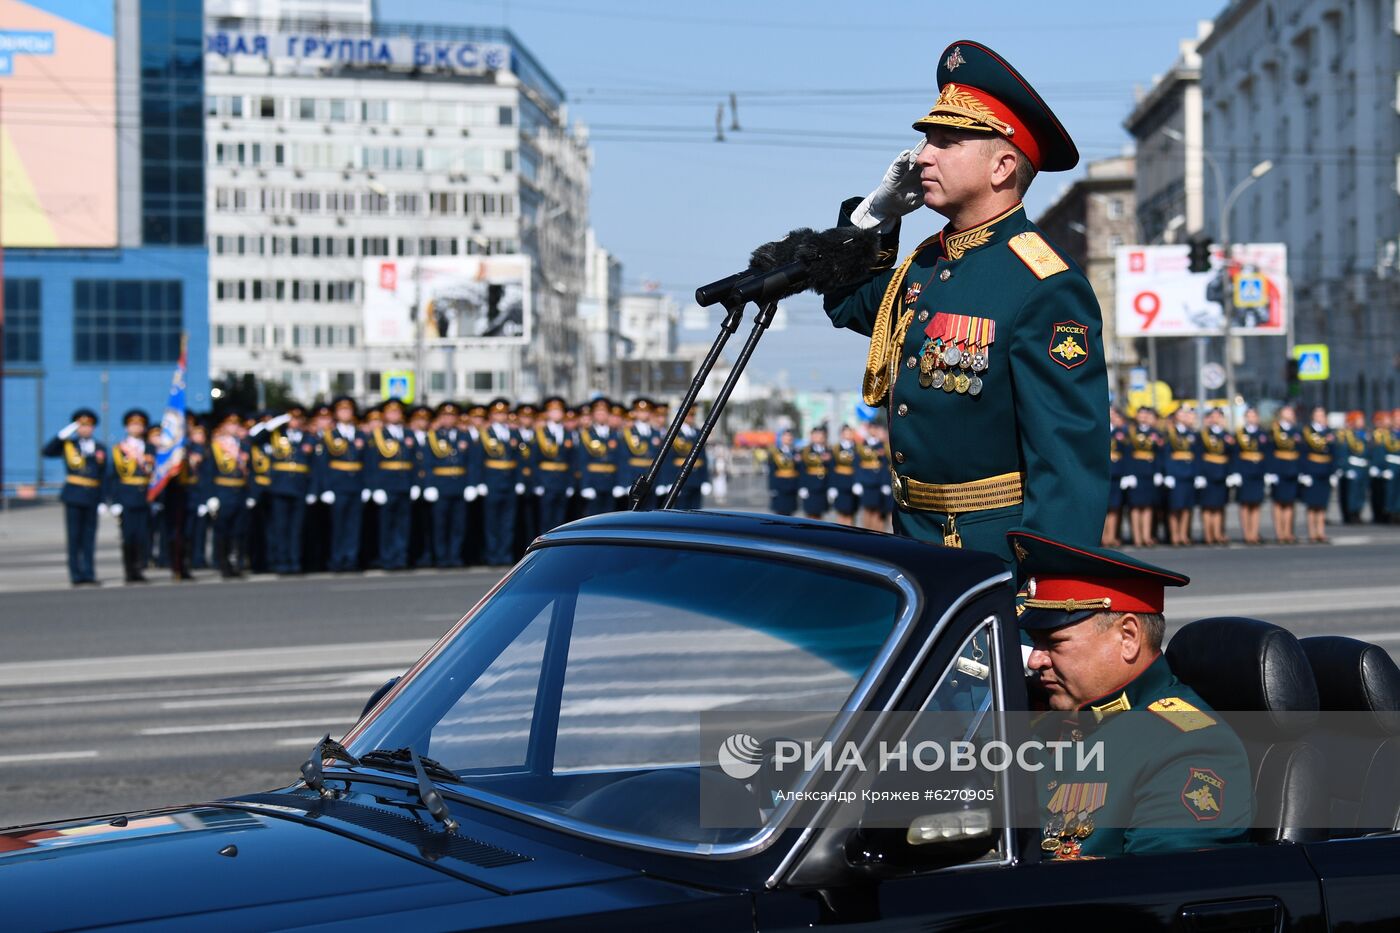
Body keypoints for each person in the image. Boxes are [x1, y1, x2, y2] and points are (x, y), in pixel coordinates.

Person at [821, 41, 1107, 566]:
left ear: (1001, 167)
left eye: (946, 142)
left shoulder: (1042, 283)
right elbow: (848, 302)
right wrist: (871, 218)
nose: (922, 156)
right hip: (915, 543)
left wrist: (1043, 607)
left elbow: (1067, 463)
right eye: (927, 140)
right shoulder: (925, 265)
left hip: (990, 557)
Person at [1011, 527, 1251, 859]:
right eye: (1035, 643)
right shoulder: (1049, 713)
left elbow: (1159, 891)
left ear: (1128, 637)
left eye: (1053, 643)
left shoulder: (1190, 745)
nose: (1036, 659)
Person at [42, 408, 107, 586]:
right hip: (74, 495)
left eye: (88, 426)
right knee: (74, 537)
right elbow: (46, 451)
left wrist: (103, 500)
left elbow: (103, 477)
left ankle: (89, 573)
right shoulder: (68, 444)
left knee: (89, 537)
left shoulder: (99, 447)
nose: (85, 429)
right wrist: (62, 434)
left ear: (93, 428)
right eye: (81, 425)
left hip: (92, 496)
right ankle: (75, 575)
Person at [260, 402, 315, 574]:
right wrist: (278, 421)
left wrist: (313, 490)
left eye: (298, 418)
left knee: (296, 529)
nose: (295, 422)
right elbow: (255, 436)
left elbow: (315, 467)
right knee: (280, 528)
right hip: (280, 488)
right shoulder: (276, 435)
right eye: (292, 418)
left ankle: (294, 561)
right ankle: (281, 562)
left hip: (300, 488)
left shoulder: (308, 437)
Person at [315, 396, 367, 573]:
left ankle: (351, 559)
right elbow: (322, 464)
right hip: (338, 485)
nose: (346, 413)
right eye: (342, 410)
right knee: (338, 526)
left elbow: (368, 462)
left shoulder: (360, 434)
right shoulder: (329, 435)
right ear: (336, 414)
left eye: (349, 410)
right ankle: (337, 559)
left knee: (354, 526)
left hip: (356, 485)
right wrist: (326, 488)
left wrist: (368, 486)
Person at [366, 398, 418, 570]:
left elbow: (416, 461)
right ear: (385, 415)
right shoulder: (378, 435)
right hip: (386, 485)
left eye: (397, 412)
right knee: (386, 525)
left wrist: (416, 483)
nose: (395, 415)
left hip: (405, 484)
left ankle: (400, 557)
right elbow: (372, 463)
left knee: (403, 525)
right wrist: (375, 487)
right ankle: (387, 558)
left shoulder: (409, 434)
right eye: (391, 412)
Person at [424, 401, 475, 568]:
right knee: (440, 525)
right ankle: (441, 557)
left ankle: (455, 556)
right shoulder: (432, 437)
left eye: (452, 415)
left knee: (458, 525)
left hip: (459, 485)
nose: (448, 419)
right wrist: (429, 485)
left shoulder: (464, 436)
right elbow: (427, 463)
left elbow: (471, 463)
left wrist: (471, 484)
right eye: (445, 416)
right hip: (440, 486)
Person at [108, 408, 155, 583]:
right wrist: (114, 501)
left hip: (145, 497)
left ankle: (139, 569)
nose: (136, 428)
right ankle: (129, 571)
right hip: (126, 497)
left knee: (143, 536)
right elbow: (112, 476)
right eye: (133, 424)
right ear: (127, 427)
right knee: (129, 536)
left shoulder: (150, 448)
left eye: (139, 425)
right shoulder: (120, 449)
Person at [478, 398, 523, 566]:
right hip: (492, 481)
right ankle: (492, 555)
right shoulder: (485, 434)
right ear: (491, 415)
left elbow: (518, 460)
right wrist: (479, 482)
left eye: (504, 413)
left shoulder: (513, 433)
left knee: (507, 522)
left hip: (509, 482)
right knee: (492, 522)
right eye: (497, 413)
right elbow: (478, 460)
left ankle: (505, 555)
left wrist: (519, 481)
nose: (501, 416)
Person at [206, 411, 250, 578]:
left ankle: (237, 564)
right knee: (222, 531)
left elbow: (249, 471)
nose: (233, 427)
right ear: (223, 426)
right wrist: (211, 496)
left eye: (236, 424)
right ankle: (223, 564)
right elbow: (209, 472)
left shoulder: (243, 445)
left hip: (240, 492)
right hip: (223, 492)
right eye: (230, 424)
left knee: (239, 531)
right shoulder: (216, 446)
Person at [533, 396, 576, 531]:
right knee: (546, 520)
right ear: (547, 414)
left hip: (562, 481)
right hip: (546, 481)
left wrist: (570, 483)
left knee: (561, 521)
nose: (556, 414)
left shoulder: (568, 433)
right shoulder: (540, 433)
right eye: (553, 411)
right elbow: (534, 460)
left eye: (559, 411)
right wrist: (537, 483)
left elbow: (572, 461)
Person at [1160, 405, 1200, 547]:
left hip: (1188, 473)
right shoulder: (1170, 434)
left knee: (1186, 507)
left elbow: (1196, 456)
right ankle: (1175, 535)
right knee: (1175, 507)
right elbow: (1166, 455)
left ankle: (1183, 535)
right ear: (1176, 416)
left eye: (1186, 413)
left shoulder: (1191, 433)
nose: (1184, 415)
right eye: (1181, 413)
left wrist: (1197, 474)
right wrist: (1168, 474)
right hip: (1175, 473)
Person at [1122, 407, 1161, 548]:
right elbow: (1126, 454)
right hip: (1135, 472)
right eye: (1141, 414)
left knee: (1148, 506)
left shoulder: (1154, 433)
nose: (1143, 417)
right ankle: (1137, 538)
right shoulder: (1130, 432)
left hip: (1149, 472)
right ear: (1136, 416)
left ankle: (1146, 536)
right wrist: (1128, 473)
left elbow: (1158, 455)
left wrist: (1158, 472)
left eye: (1146, 414)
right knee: (1135, 506)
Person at [577, 398, 622, 517]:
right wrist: (585, 485)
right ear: (593, 415)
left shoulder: (615, 434)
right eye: (598, 413)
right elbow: (582, 462)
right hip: (594, 482)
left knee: (610, 518)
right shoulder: (587, 435)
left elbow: (620, 461)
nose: (601, 415)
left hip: (610, 482)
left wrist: (620, 483)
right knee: (592, 518)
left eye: (604, 413)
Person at [1197, 407, 1234, 547]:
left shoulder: (1227, 436)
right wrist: (1199, 474)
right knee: (1207, 506)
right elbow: (1198, 456)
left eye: (1219, 416)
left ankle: (1218, 533)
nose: (1216, 419)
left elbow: (1232, 456)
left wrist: (1231, 473)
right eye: (1213, 416)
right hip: (1207, 472)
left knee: (1219, 506)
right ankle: (1208, 534)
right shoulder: (1203, 435)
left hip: (1222, 472)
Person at [1299, 406, 1337, 544]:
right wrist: (1304, 473)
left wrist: (1333, 472)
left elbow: (1333, 453)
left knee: (1322, 504)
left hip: (1325, 470)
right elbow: (1303, 453)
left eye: (1322, 414)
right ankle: (1312, 532)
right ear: (1313, 416)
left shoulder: (1328, 432)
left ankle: (1321, 532)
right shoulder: (1308, 432)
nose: (1320, 417)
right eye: (1318, 414)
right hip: (1312, 469)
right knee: (1312, 504)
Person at [1267, 405, 1302, 545]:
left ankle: (1288, 532)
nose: (1290, 414)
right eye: (1287, 412)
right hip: (1279, 469)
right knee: (1278, 502)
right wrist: (1271, 472)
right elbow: (1269, 452)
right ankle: (1279, 532)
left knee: (1289, 502)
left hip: (1292, 469)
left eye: (1291, 412)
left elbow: (1301, 452)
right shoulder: (1274, 431)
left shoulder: (1296, 431)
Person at [1233, 407, 1268, 545]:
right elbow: (1235, 454)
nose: (1251, 418)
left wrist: (1267, 472)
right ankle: (1246, 533)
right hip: (1244, 471)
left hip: (1258, 471)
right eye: (1249, 416)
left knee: (1256, 504)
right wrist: (1235, 472)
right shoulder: (1240, 434)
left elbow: (1267, 454)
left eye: (1254, 416)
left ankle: (1254, 533)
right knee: (1245, 503)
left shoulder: (1262, 434)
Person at [856, 423, 892, 531]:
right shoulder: (862, 446)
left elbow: (886, 466)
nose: (873, 431)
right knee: (867, 510)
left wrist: (885, 483)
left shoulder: (883, 446)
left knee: (878, 511)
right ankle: (866, 533)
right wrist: (857, 482)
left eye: (875, 428)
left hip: (879, 483)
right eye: (871, 428)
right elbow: (857, 465)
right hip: (866, 483)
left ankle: (877, 533)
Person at [1337, 412, 1370, 525]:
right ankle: (1351, 514)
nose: (1362, 422)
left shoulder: (1363, 434)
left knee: (1361, 493)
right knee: (1352, 494)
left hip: (1362, 467)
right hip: (1352, 466)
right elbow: (1343, 453)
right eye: (1359, 420)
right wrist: (1345, 468)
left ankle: (1358, 512)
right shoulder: (1346, 435)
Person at [798, 425, 832, 520]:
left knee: (820, 515)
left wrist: (831, 487)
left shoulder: (829, 451)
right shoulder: (805, 451)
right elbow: (801, 470)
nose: (819, 437)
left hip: (823, 487)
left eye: (821, 435)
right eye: (816, 435)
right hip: (810, 487)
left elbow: (832, 471)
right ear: (811, 436)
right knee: (810, 515)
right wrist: (802, 486)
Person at [828, 425, 859, 526]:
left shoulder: (857, 448)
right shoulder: (836, 449)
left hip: (852, 483)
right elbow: (832, 468)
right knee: (841, 511)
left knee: (851, 512)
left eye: (850, 433)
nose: (848, 435)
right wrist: (832, 486)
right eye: (845, 433)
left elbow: (859, 467)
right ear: (841, 434)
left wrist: (857, 482)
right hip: (840, 482)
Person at [1103, 407, 1126, 547]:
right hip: (1103, 472)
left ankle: (1111, 537)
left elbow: (1126, 454)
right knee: (1103, 507)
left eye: (1114, 414)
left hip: (1116, 472)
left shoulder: (1120, 433)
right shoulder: (1099, 430)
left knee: (1114, 507)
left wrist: (1126, 473)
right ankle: (1103, 537)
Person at [1370, 410, 1396, 524]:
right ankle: (1380, 514)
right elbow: (1377, 452)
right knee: (1380, 493)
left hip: (1392, 466)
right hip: (1382, 467)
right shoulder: (1379, 434)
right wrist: (1376, 466)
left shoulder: (1391, 434)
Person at [767, 429, 800, 517]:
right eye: (785, 436)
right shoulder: (775, 453)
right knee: (780, 514)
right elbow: (772, 472)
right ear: (781, 438)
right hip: (780, 486)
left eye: (790, 436)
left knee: (791, 514)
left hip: (792, 486)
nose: (788, 438)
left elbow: (799, 471)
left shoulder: (796, 453)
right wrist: (772, 487)